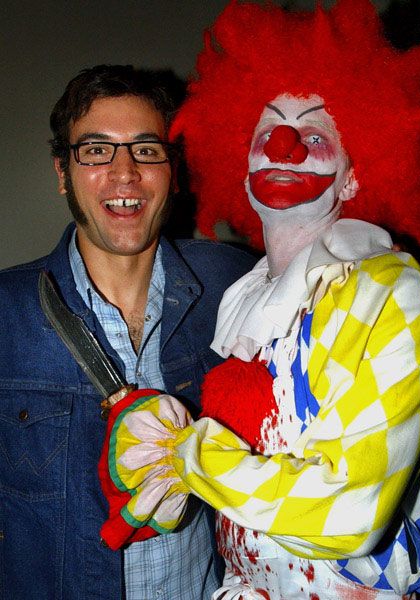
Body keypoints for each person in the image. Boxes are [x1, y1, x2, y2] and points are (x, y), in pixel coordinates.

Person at [99, 1, 420, 598]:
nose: (284, 147)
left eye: (314, 135)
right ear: (242, 164)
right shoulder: (246, 298)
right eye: (268, 132)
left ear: (353, 175)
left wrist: (191, 456)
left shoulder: (395, 293)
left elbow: (349, 517)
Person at [0, 64, 256, 600]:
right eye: (96, 150)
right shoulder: (6, 317)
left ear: (172, 171)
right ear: (62, 171)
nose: (125, 173)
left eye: (146, 149)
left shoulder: (236, 285)